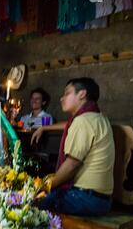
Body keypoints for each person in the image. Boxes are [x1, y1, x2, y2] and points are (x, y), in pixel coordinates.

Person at [31, 78, 114, 216]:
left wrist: (43, 187)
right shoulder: (97, 117)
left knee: (32, 204)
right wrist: (44, 128)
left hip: (85, 199)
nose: (61, 98)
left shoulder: (82, 122)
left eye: (67, 93)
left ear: (82, 94)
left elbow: (71, 166)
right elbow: (69, 124)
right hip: (102, 199)